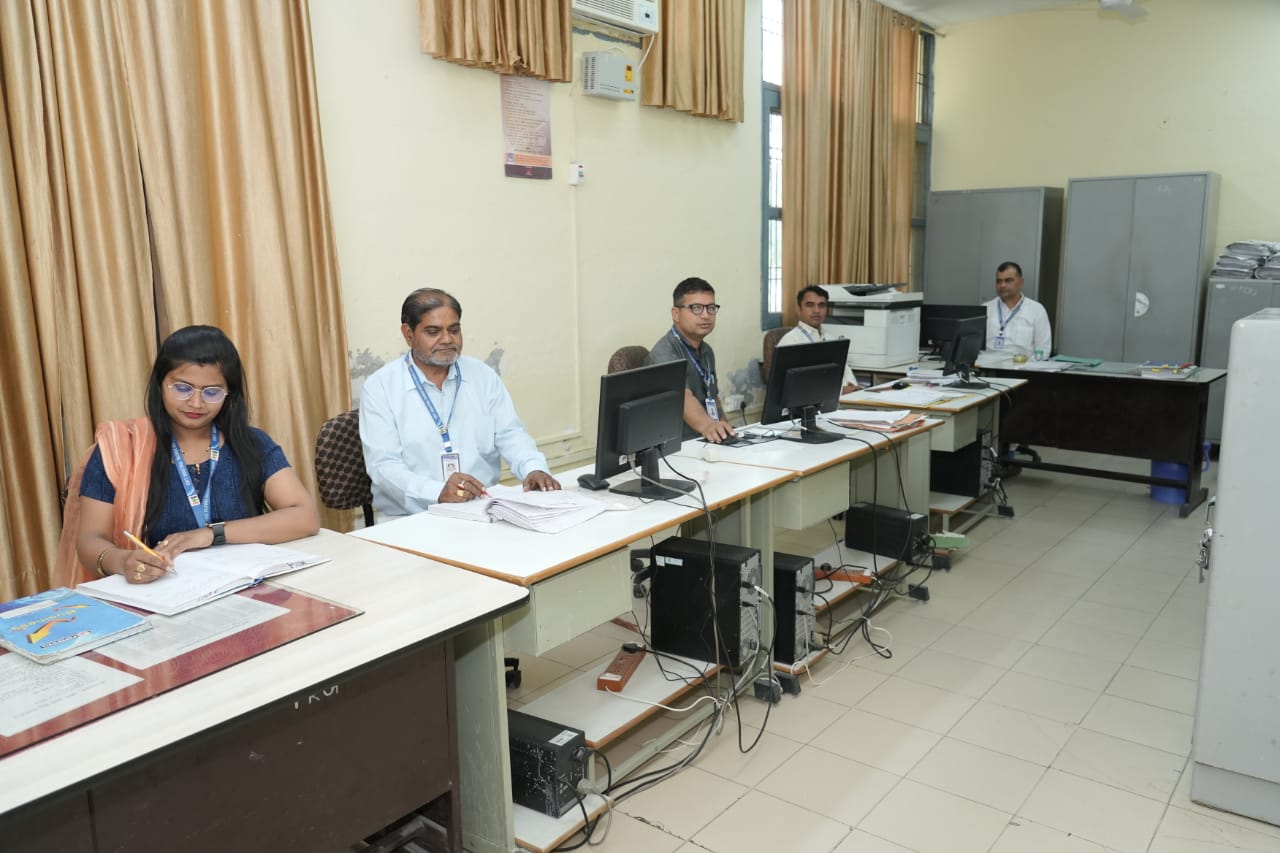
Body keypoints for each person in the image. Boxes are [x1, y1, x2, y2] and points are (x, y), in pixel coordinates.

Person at [63, 325, 320, 586]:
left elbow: (305, 517)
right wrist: (123, 561)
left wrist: (210, 534)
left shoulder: (251, 443)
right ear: (160, 384)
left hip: (242, 587)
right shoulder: (122, 448)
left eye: (212, 392)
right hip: (159, 591)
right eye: (182, 388)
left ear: (229, 395)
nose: (196, 403)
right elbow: (90, 540)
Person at [360, 287, 559, 517]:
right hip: (414, 518)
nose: (447, 339)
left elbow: (511, 434)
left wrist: (533, 469)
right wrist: (437, 491)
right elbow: (384, 466)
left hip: (484, 509)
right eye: (433, 331)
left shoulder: (482, 376)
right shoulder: (381, 387)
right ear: (409, 334)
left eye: (454, 330)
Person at [647, 277, 737, 444]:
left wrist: (726, 431)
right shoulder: (664, 354)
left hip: (706, 440)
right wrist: (709, 427)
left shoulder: (707, 351)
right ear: (676, 314)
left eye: (711, 308)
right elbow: (683, 399)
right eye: (696, 308)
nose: (706, 315)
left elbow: (713, 397)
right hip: (676, 447)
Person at [777, 285, 859, 394]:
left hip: (844, 399)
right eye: (810, 305)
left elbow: (845, 369)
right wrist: (840, 391)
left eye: (821, 305)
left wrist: (853, 387)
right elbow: (797, 385)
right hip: (811, 402)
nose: (816, 310)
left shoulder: (830, 338)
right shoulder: (790, 342)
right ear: (799, 310)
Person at [985, 261, 1051, 358]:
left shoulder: (1037, 310)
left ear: (1021, 282)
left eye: (1008, 280)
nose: (1002, 285)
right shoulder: (985, 309)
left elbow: (1043, 350)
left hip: (1022, 366)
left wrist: (1028, 365)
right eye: (999, 281)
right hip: (986, 365)